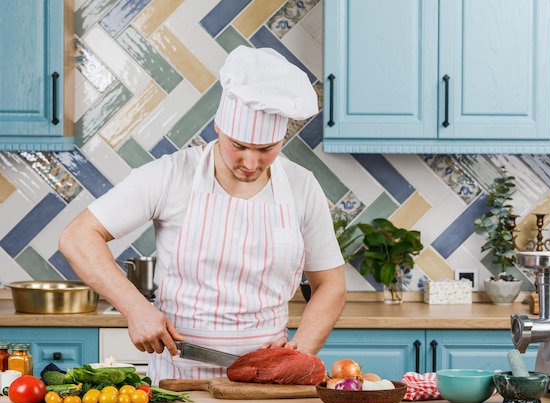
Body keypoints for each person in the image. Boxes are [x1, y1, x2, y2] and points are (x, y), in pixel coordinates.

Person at [59, 46, 347, 383]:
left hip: (268, 381)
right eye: (238, 145)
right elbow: (77, 237)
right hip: (180, 378)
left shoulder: (301, 186)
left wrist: (298, 353)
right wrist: (136, 308)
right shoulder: (170, 175)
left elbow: (330, 285)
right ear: (218, 127)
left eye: (266, 150)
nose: (250, 164)